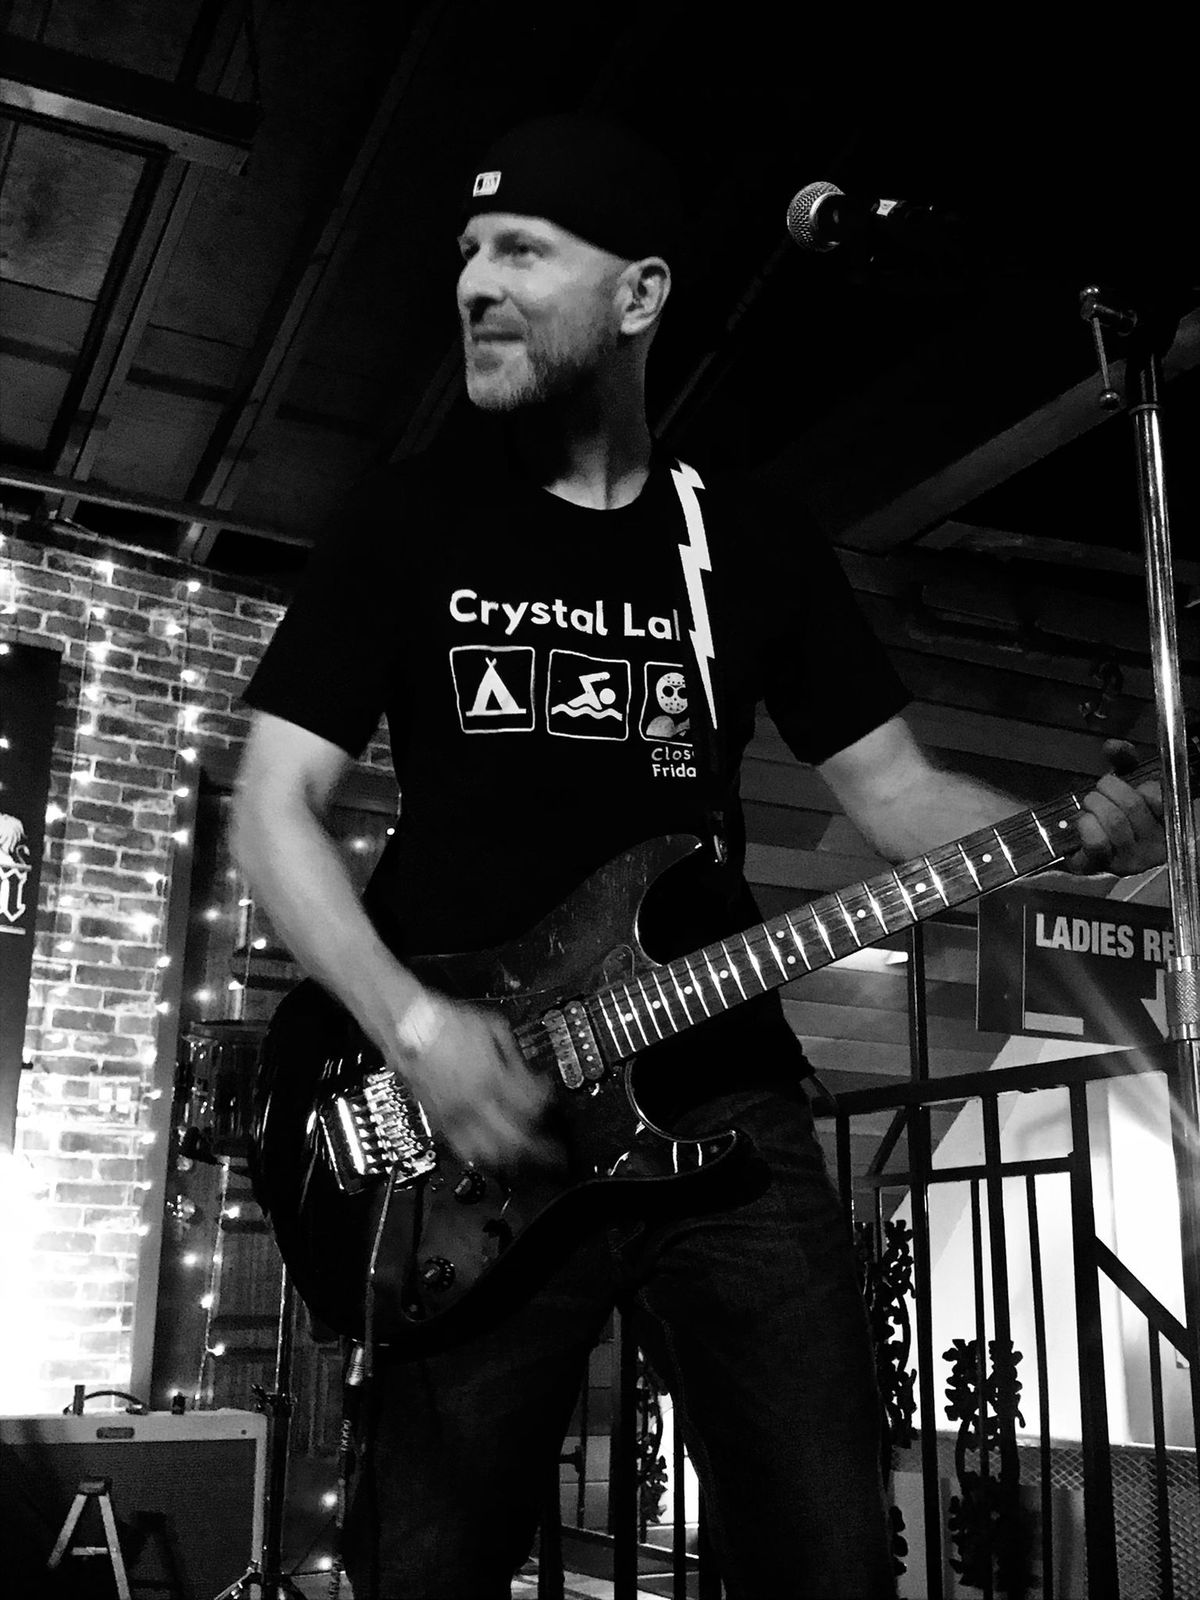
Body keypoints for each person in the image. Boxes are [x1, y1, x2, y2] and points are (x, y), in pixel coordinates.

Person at [232, 113, 1165, 1600]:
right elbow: (271, 807)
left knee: (830, 1551)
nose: (475, 281)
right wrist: (414, 1031)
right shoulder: (407, 519)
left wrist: (1071, 839)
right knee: (430, 1564)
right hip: (477, 1107)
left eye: (523, 249)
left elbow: (896, 792)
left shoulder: (750, 542)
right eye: (468, 251)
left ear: (641, 294)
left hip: (719, 1084)